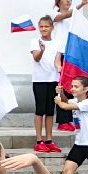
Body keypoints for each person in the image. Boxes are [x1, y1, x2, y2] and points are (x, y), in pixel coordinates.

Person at [48, 0, 86, 132]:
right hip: (60, 54)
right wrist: (81, 5)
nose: (68, 1)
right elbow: (66, 15)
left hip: (73, 54)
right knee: (62, 86)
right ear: (58, 2)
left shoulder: (75, 18)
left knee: (73, 87)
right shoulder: (54, 16)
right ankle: (63, 121)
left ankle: (72, 119)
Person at [29, 16, 63, 153]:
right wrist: (42, 50)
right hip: (39, 80)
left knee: (50, 111)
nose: (43, 29)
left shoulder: (58, 43)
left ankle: (49, 140)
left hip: (53, 80)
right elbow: (36, 58)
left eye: (46, 26)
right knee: (40, 110)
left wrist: (60, 69)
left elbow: (57, 61)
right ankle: (39, 140)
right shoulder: (35, 42)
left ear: (51, 28)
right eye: (41, 26)